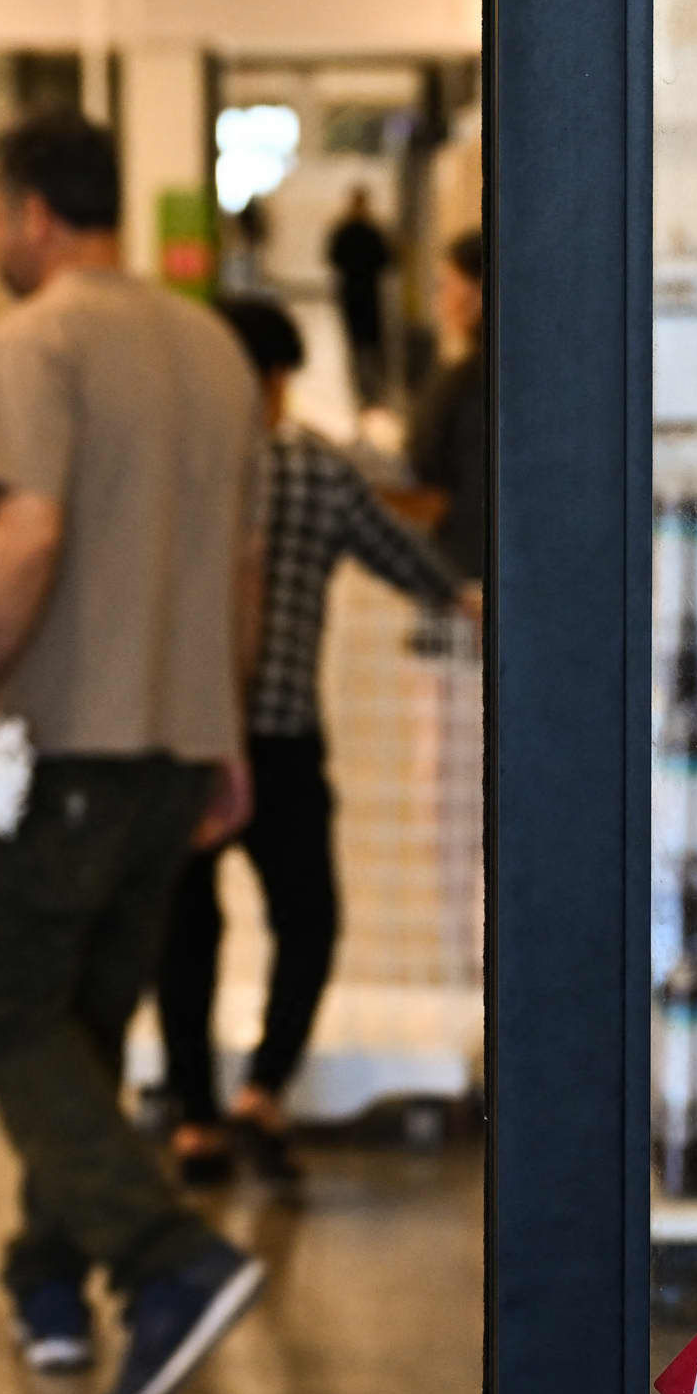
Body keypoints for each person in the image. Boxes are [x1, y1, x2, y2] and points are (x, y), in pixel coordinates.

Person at [0, 111, 271, 1394]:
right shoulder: (215, 348)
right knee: (80, 1025)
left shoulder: (38, 339)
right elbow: (239, 567)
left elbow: (25, 533)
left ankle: (167, 1261)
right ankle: (49, 1280)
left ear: (31, 215)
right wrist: (224, 734)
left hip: (62, 745)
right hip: (174, 752)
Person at [159, 297, 470, 1192]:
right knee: (309, 920)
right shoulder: (313, 471)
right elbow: (410, 563)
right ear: (275, 379)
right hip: (283, 736)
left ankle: (193, 1120)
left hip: (183, 736)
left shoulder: (173, 467)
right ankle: (263, 1090)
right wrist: (468, 599)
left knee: (185, 928)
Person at [402, 225, 489, 580]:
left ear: (479, 292)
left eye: (446, 286)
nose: (440, 301)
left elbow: (428, 476)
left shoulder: (466, 381)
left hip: (466, 561)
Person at [326, 184, 395, 408]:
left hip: (350, 291)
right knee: (372, 340)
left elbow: (333, 258)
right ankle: (375, 387)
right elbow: (386, 260)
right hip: (368, 290)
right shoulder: (372, 230)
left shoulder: (343, 230)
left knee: (355, 341)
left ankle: (361, 388)